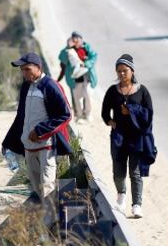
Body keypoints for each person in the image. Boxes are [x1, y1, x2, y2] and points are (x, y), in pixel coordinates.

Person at [2, 52, 72, 228]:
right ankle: (47, 220)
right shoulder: (26, 87)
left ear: (38, 68)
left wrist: (40, 131)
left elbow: (66, 114)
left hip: (46, 146)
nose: (24, 73)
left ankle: (49, 225)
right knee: (36, 188)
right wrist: (8, 142)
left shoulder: (50, 86)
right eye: (22, 70)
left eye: (27, 69)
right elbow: (21, 117)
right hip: (29, 147)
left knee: (47, 185)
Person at [100, 54, 156, 217]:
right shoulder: (112, 91)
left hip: (137, 137)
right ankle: (121, 195)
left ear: (132, 71)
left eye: (125, 71)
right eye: (119, 71)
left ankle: (137, 205)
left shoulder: (142, 91)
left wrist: (132, 109)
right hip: (119, 137)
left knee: (135, 172)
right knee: (118, 170)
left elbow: (149, 114)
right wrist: (110, 122)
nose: (122, 74)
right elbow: (104, 112)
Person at [57, 31, 97, 121]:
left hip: (87, 76)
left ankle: (88, 113)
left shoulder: (87, 48)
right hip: (75, 77)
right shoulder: (69, 50)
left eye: (78, 40)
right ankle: (79, 115)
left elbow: (94, 56)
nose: (76, 42)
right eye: (74, 40)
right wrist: (68, 47)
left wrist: (86, 63)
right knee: (77, 97)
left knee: (88, 95)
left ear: (81, 40)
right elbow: (62, 59)